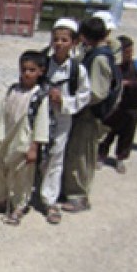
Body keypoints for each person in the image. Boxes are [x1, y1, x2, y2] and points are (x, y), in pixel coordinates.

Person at [0, 51, 50, 226]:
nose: (27, 73)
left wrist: (34, 147)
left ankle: (19, 206)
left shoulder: (39, 96)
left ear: (40, 71)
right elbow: (0, 112)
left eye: (32, 70)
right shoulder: (13, 90)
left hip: (24, 142)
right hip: (6, 139)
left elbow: (41, 123)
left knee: (22, 176)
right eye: (24, 69)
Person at [61, 17, 117, 212]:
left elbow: (97, 93)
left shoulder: (100, 58)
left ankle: (78, 196)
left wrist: (71, 101)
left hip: (89, 116)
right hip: (84, 114)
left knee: (82, 155)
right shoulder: (96, 54)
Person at [38, 19, 90, 224]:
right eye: (56, 39)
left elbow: (84, 96)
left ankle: (50, 201)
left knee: (55, 156)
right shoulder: (43, 62)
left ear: (74, 43)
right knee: (36, 154)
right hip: (40, 117)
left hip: (62, 118)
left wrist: (64, 101)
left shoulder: (77, 70)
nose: (59, 43)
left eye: (64, 40)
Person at [98, 35, 137, 173]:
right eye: (126, 52)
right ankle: (100, 156)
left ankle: (120, 159)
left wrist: (128, 84)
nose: (129, 54)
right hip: (113, 108)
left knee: (127, 135)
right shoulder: (111, 65)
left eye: (131, 51)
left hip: (131, 107)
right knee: (106, 133)